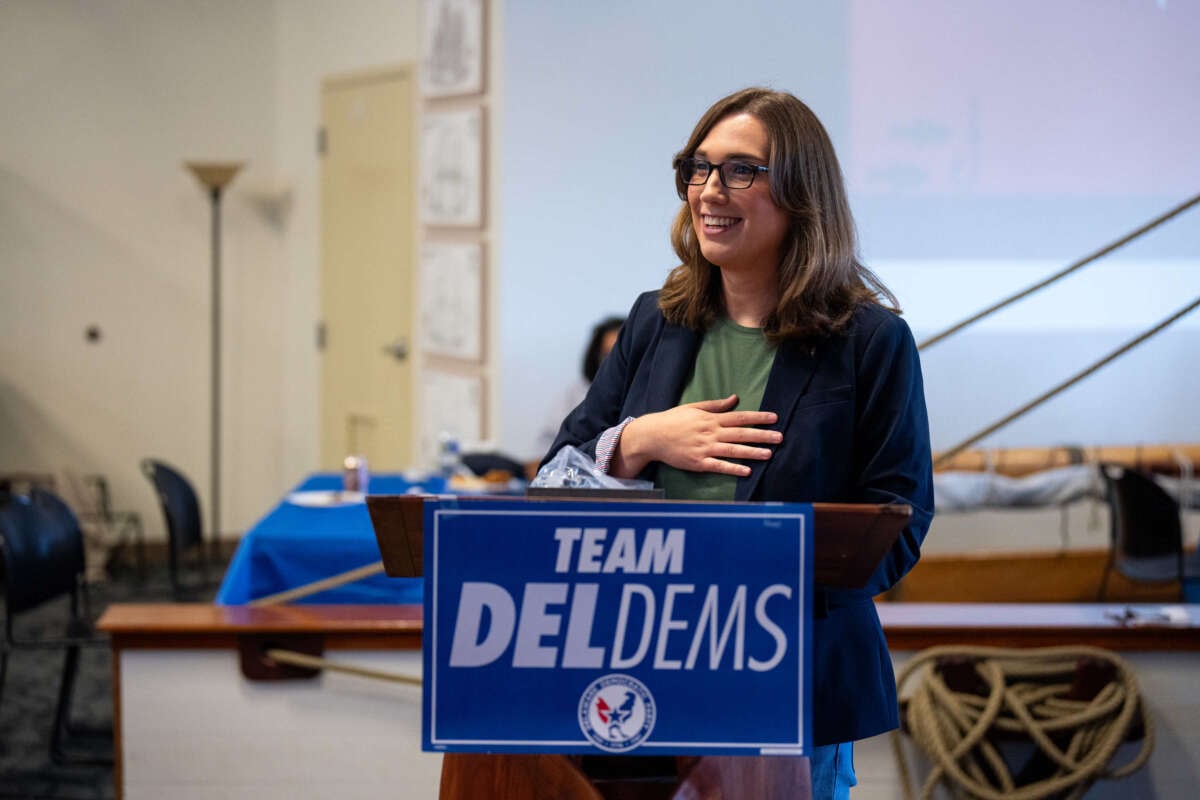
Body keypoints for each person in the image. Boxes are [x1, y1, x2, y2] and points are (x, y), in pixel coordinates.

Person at [542, 87, 934, 798]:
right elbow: (550, 489)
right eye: (698, 167)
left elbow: (898, 531)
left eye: (741, 170)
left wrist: (752, 588)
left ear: (803, 195)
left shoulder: (871, 343)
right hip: (638, 677)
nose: (709, 190)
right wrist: (639, 441)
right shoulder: (654, 322)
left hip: (791, 688)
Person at [533, 315, 624, 458]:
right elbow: (542, 452)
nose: (616, 363)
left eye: (622, 355)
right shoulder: (577, 394)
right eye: (607, 355)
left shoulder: (648, 393)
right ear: (596, 357)